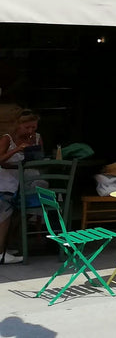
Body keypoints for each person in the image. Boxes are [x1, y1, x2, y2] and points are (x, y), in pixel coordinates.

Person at [0, 111, 43, 264]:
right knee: (6, 210)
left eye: (33, 127)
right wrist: (17, 150)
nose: (30, 131)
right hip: (7, 178)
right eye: (27, 127)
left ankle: (6, 245)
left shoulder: (36, 138)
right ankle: (1, 252)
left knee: (22, 210)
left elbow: (40, 158)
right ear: (18, 125)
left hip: (26, 177)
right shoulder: (8, 138)